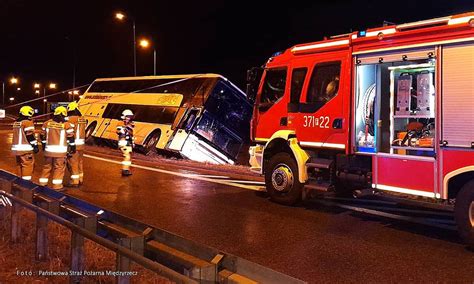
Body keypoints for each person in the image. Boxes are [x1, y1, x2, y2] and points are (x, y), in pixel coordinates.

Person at [39, 106, 75, 191]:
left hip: (48, 151)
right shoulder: (66, 124)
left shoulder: (47, 123)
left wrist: (44, 145)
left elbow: (42, 135)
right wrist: (73, 147)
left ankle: (42, 184)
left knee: (47, 167)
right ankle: (57, 186)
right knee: (59, 168)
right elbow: (71, 138)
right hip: (60, 152)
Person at [11, 106, 39, 180]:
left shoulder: (16, 123)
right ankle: (26, 185)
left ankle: (18, 183)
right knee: (27, 166)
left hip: (17, 150)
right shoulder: (28, 123)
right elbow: (30, 136)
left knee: (19, 166)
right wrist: (35, 146)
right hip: (25, 150)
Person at [65, 101, 87, 187]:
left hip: (73, 144)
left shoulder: (70, 119)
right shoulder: (82, 118)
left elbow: (69, 131)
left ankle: (75, 181)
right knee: (80, 163)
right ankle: (81, 179)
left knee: (72, 163)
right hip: (81, 145)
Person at [116, 109, 134, 176]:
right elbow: (119, 131)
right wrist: (124, 128)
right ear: (124, 116)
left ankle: (126, 169)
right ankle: (125, 170)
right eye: (127, 116)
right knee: (127, 156)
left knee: (128, 156)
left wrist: (133, 143)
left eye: (130, 117)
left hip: (128, 142)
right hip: (123, 142)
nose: (129, 118)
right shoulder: (120, 123)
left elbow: (131, 134)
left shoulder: (130, 124)